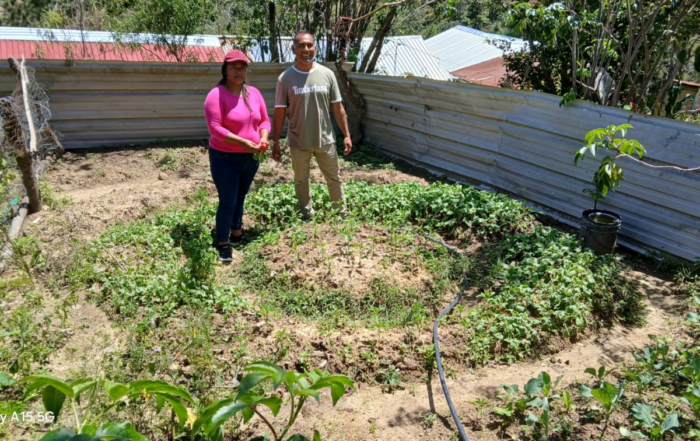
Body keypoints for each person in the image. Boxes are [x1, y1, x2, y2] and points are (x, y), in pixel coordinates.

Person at [272, 30, 352, 220]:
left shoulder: (327, 74)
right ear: (293, 49)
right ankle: (307, 216)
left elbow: (338, 107)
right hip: (299, 141)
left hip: (326, 139)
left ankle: (341, 216)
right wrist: (275, 142)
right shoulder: (285, 79)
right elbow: (280, 112)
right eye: (301, 45)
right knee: (301, 180)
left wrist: (347, 134)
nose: (306, 49)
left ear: (315, 48)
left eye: (309, 45)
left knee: (334, 178)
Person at [204, 49, 270, 262]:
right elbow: (215, 128)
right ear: (225, 70)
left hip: (250, 158)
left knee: (240, 196)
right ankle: (223, 242)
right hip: (224, 157)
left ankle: (236, 229)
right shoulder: (216, 95)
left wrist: (263, 138)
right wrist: (242, 142)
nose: (238, 72)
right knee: (228, 200)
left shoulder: (254, 93)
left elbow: (264, 121)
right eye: (233, 67)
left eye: (242, 68)